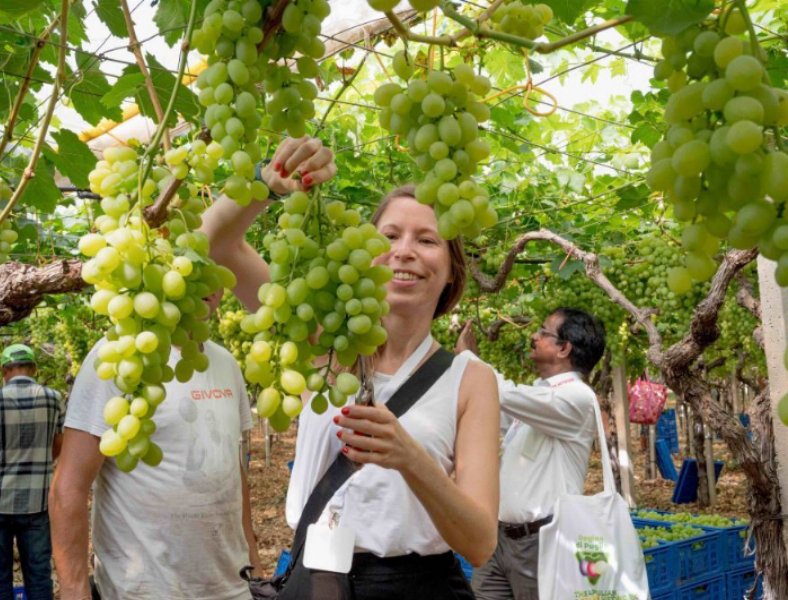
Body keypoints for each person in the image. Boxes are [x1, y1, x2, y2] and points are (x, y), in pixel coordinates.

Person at [201, 137, 500, 599]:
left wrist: (409, 457)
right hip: (316, 579)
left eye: (427, 240)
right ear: (362, 256)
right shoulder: (322, 345)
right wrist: (267, 181)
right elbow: (216, 244)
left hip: (418, 589)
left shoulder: (470, 379)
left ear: (451, 272)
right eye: (390, 236)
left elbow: (480, 544)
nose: (404, 250)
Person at [49, 290, 263, 600]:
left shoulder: (226, 363)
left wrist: (254, 572)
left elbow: (234, 475)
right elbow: (67, 488)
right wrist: (75, 592)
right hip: (143, 591)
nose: (209, 283)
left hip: (232, 588)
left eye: (217, 263)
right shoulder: (118, 359)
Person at [456, 308, 606, 600]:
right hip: (500, 539)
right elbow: (490, 414)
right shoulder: (540, 394)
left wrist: (469, 360)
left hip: (539, 543)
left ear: (564, 348)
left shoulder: (577, 397)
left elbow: (504, 394)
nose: (533, 336)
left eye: (543, 332)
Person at [0, 343, 65, 600]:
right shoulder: (53, 398)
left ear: (4, 371)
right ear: (34, 368)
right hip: (37, 502)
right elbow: (58, 445)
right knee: (38, 574)